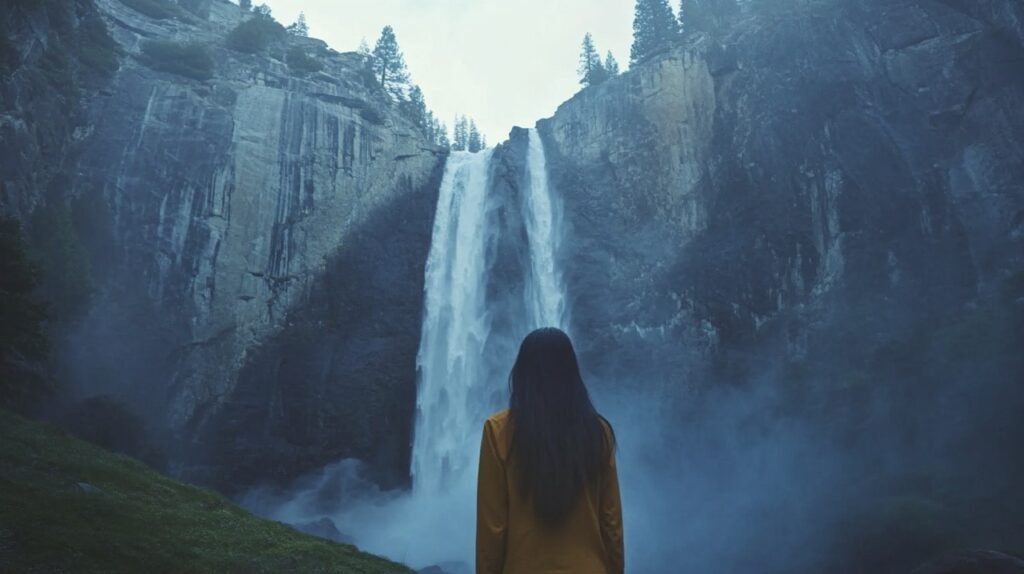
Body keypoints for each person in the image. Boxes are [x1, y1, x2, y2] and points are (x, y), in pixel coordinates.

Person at [476, 327, 624, 574]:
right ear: (572, 373)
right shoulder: (598, 431)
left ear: (521, 371)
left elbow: (492, 527)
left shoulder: (497, 430)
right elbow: (611, 522)